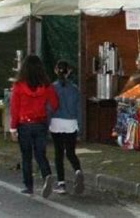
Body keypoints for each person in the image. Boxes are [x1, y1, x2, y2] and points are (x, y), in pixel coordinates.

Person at [9, 55, 58, 198]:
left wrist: (13, 128)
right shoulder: (46, 85)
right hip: (40, 123)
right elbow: (54, 104)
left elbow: (14, 108)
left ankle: (28, 186)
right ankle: (46, 175)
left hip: (24, 124)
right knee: (40, 154)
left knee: (26, 156)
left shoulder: (18, 86)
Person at [49, 60, 84, 195]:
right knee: (70, 152)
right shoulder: (75, 89)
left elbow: (49, 107)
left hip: (56, 122)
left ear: (55, 70)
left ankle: (61, 184)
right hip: (71, 123)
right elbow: (79, 110)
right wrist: (80, 127)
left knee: (58, 154)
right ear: (69, 72)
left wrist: (46, 123)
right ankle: (78, 171)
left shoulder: (52, 88)